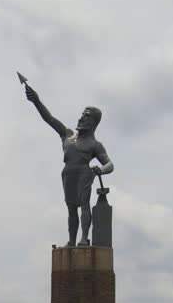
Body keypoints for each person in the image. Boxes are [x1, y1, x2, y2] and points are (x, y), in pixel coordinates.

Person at [24, 84, 114, 246]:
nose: (81, 118)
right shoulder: (67, 135)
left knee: (84, 206)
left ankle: (84, 238)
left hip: (84, 174)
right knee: (71, 209)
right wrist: (36, 101)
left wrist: (100, 170)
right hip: (68, 174)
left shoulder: (95, 145)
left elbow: (109, 164)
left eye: (86, 116)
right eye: (82, 115)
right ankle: (71, 240)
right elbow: (49, 119)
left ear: (93, 123)